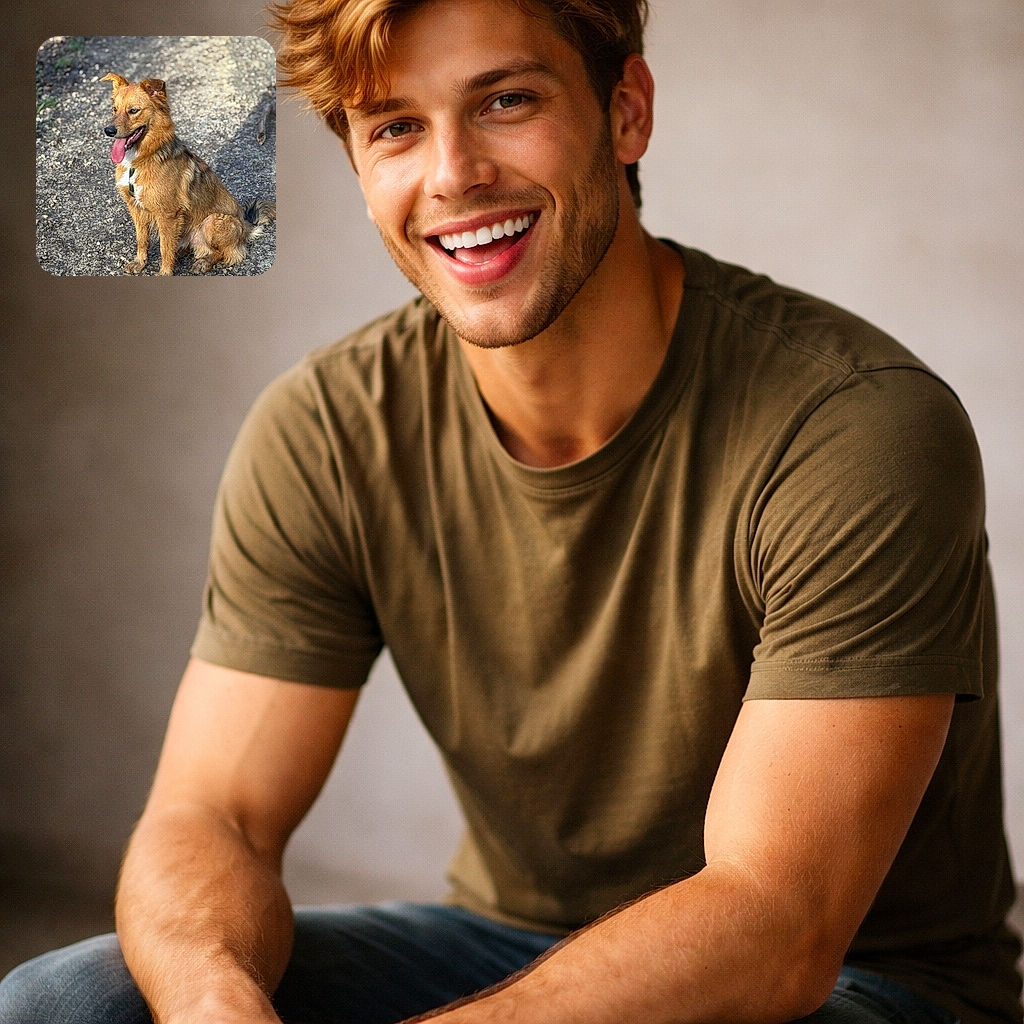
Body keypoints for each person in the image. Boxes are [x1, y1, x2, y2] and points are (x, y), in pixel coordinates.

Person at [2, 1, 1021, 1021]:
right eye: (396, 126)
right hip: (510, 941)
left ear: (626, 112)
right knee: (71, 1001)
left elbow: (775, 925)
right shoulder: (328, 430)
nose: (452, 174)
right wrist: (209, 1006)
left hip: (854, 982)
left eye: (506, 101)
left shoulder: (855, 426)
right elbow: (214, 813)